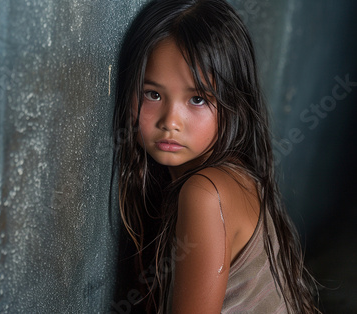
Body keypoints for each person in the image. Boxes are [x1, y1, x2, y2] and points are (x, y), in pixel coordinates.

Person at [112, 0, 319, 313]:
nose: (170, 121)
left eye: (197, 99)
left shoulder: (205, 193)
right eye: (152, 94)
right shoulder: (233, 176)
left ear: (233, 101)